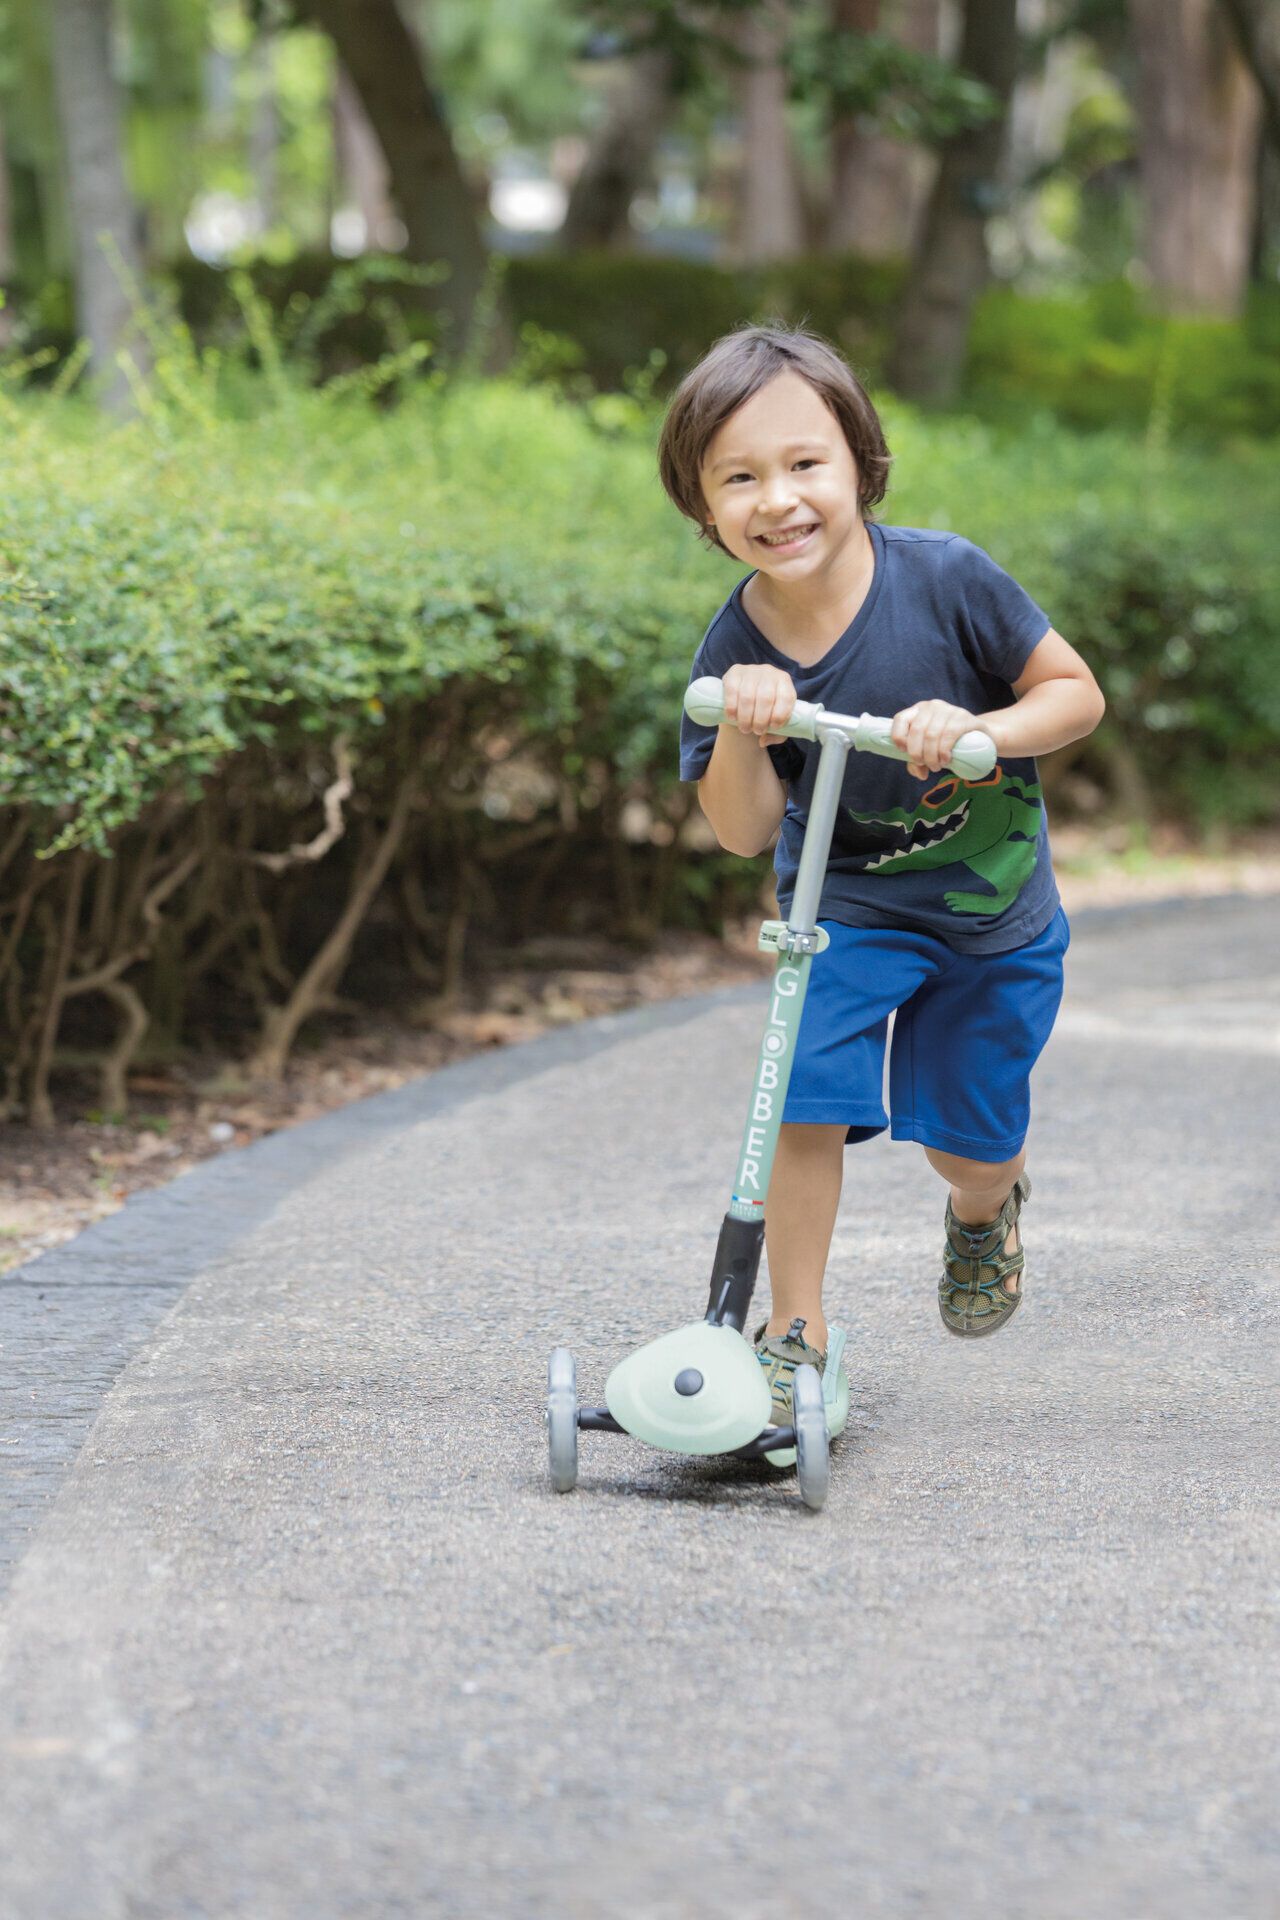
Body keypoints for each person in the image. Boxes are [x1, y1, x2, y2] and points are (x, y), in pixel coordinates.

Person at [660, 323, 1106, 1428]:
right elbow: (736, 828)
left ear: (859, 461)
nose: (778, 499)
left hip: (988, 911)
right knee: (800, 1107)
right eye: (739, 479)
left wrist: (982, 726)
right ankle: (792, 1336)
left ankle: (982, 1209)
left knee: (966, 1143)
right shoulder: (731, 653)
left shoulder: (945, 579)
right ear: (702, 507)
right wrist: (743, 732)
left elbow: (1072, 695)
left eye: (804, 464)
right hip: (842, 908)